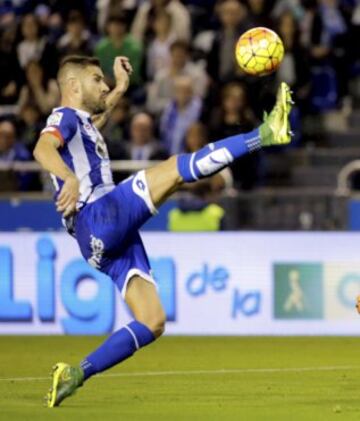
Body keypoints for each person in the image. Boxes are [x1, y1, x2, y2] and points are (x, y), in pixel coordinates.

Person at [33, 54, 293, 407]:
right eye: (97, 79)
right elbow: (42, 147)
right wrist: (68, 178)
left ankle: (76, 373)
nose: (104, 85)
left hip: (94, 240)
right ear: (74, 86)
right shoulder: (63, 117)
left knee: (152, 322)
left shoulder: (83, 122)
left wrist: (122, 87)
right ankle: (264, 134)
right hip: (100, 214)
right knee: (174, 169)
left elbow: (100, 113)